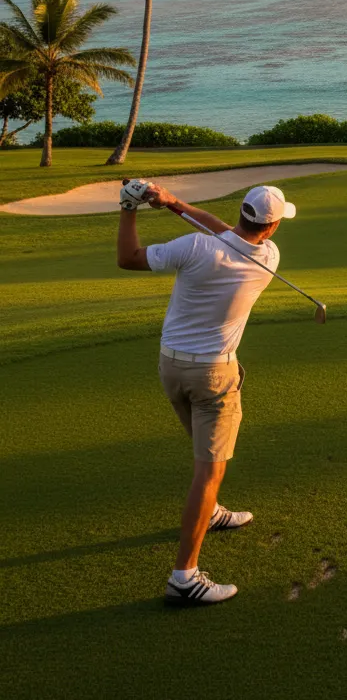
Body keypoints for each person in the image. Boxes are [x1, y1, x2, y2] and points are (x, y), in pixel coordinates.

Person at [117, 181, 296, 606]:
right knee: (208, 470)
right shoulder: (269, 258)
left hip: (171, 368)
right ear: (270, 228)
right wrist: (174, 204)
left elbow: (128, 259)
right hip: (215, 376)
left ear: (242, 212)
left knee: (204, 461)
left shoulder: (194, 247)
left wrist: (131, 208)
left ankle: (211, 513)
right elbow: (227, 236)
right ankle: (185, 577)